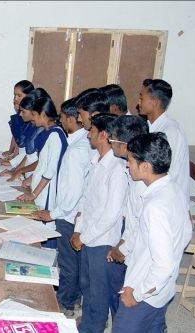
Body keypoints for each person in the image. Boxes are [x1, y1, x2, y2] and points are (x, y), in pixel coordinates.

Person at [112, 132, 192, 332]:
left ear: (145, 166)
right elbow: (187, 231)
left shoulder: (155, 206)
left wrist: (137, 294)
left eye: (130, 161)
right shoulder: (174, 190)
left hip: (145, 291)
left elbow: (162, 265)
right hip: (161, 290)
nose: (127, 165)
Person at [32, 98, 91, 317]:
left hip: (69, 214)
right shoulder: (78, 143)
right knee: (73, 261)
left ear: (70, 119)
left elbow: (73, 190)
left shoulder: (77, 150)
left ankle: (64, 302)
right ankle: (72, 298)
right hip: (71, 211)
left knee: (68, 263)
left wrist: (55, 212)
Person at [70, 113, 127, 333]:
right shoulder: (96, 162)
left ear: (103, 135)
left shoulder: (117, 170)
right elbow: (86, 200)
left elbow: (111, 215)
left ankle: (92, 328)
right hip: (86, 236)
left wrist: (83, 237)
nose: (88, 135)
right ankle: (88, 324)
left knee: (98, 293)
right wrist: (78, 231)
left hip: (102, 241)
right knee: (86, 285)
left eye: (91, 130)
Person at [16, 96, 68, 247]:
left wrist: (34, 193)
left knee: (45, 230)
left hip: (47, 193)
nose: (32, 119)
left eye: (34, 115)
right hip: (41, 190)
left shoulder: (55, 135)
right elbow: (42, 164)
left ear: (43, 115)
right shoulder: (49, 132)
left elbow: (50, 170)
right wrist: (31, 180)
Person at [137, 78, 190, 209]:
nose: (138, 103)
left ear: (154, 102)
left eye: (141, 98)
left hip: (165, 204)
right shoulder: (150, 127)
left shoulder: (170, 131)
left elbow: (167, 173)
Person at [105, 115, 149, 266]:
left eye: (112, 140)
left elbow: (139, 226)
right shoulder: (131, 171)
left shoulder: (142, 182)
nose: (110, 143)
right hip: (126, 244)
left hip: (139, 256)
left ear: (124, 146)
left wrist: (123, 249)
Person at [1, 80, 35, 161]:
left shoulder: (30, 117)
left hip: (27, 158)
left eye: (19, 95)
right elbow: (16, 136)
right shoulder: (19, 114)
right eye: (15, 95)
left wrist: (14, 158)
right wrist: (10, 151)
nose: (15, 98)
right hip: (21, 158)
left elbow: (23, 142)